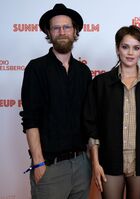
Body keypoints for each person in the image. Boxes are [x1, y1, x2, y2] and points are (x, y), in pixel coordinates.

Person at [20, 4, 92, 199]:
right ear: (49, 33)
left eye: (66, 27)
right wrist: (38, 163)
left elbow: (89, 119)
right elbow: (30, 119)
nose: (62, 32)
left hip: (82, 165)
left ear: (75, 30)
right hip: (50, 167)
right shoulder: (36, 69)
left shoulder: (83, 72)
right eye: (56, 28)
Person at [83, 25, 140, 199]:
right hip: (109, 160)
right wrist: (95, 163)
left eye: (136, 48)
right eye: (125, 47)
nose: (130, 53)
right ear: (117, 49)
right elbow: (92, 126)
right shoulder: (101, 83)